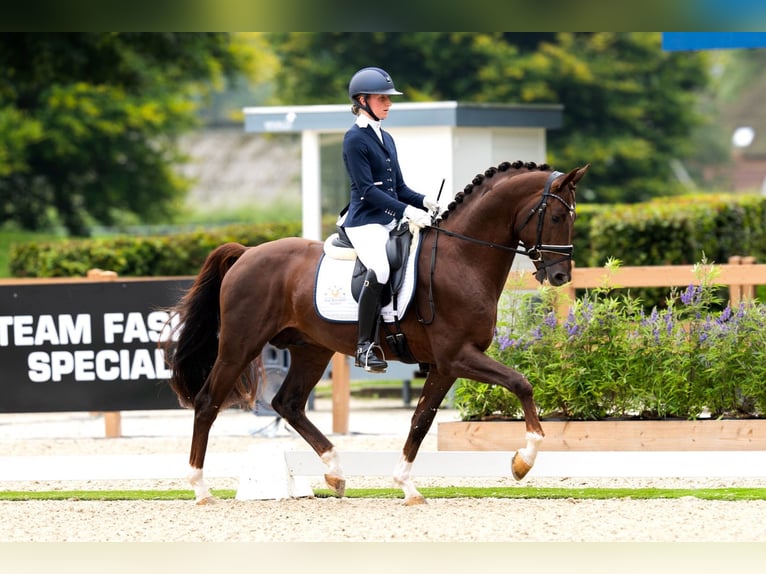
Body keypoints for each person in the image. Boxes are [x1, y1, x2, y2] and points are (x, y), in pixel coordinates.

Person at [341, 66, 438, 373]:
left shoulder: (387, 138)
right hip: (364, 222)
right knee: (380, 267)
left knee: (422, 260)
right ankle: (364, 347)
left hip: (387, 220)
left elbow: (399, 188)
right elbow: (368, 191)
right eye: (382, 98)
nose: (388, 103)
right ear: (362, 100)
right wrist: (406, 211)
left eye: (388, 98)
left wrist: (423, 200)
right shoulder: (354, 139)